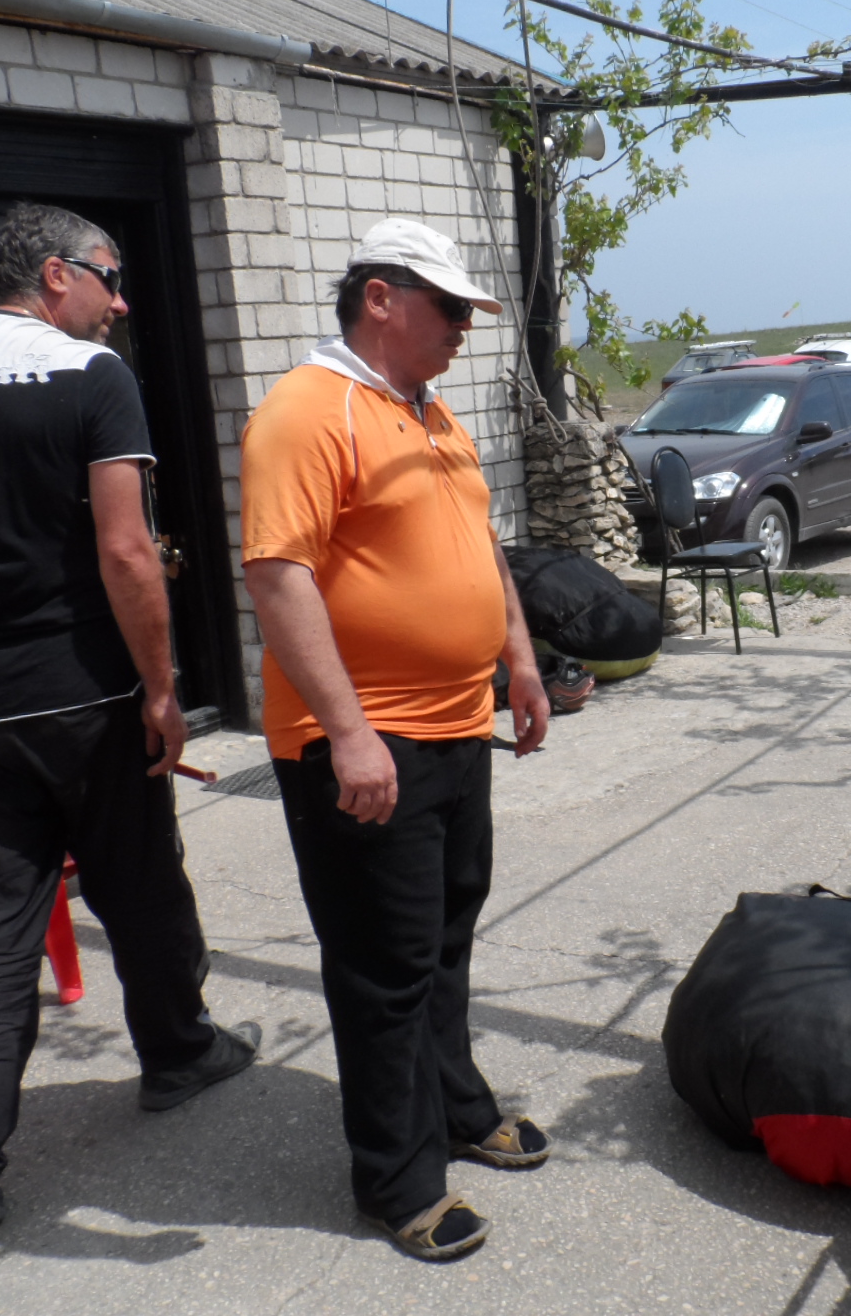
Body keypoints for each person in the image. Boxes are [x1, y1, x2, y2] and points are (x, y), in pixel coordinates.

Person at [0, 203, 259, 1235]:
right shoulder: (92, 377)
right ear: (53, 275)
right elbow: (126, 550)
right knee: (140, 885)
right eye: (108, 277)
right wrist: (163, 688)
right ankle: (179, 1052)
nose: (119, 303)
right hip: (87, 693)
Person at [240, 218, 553, 1263]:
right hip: (368, 742)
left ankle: (456, 1106)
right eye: (448, 306)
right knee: (383, 966)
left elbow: (480, 546)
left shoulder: (428, 409)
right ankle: (398, 1179)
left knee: (443, 941)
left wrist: (516, 660)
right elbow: (278, 575)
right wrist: (349, 734)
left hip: (457, 726)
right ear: (380, 298)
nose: (464, 326)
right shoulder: (307, 410)